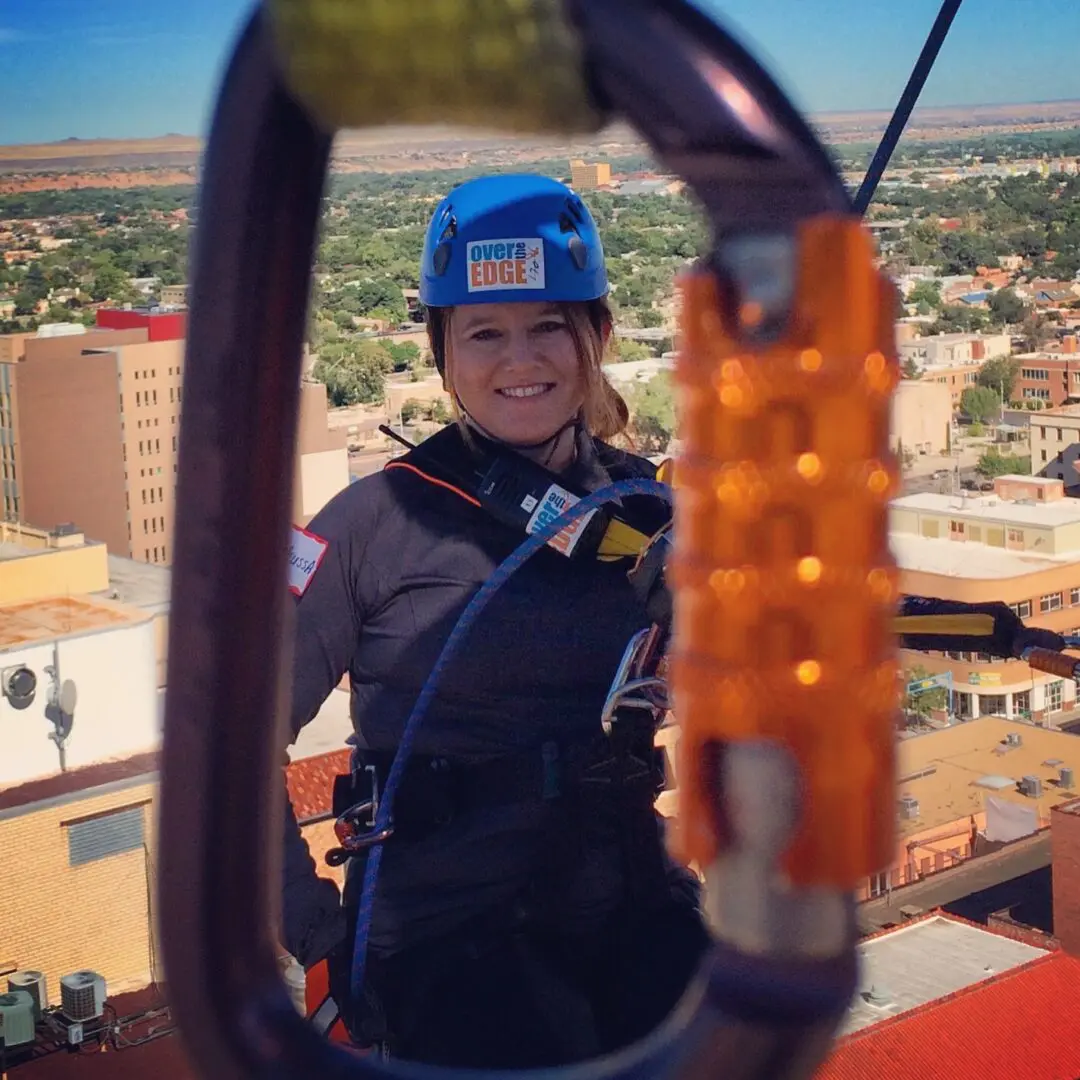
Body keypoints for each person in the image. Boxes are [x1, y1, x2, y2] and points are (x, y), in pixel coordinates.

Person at [279, 173, 709, 1069]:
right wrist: (318, 932)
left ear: (595, 337)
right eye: (485, 332)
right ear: (443, 354)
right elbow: (224, 743)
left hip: (627, 896)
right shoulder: (371, 528)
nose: (521, 360)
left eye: (549, 325)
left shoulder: (642, 513)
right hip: (445, 928)